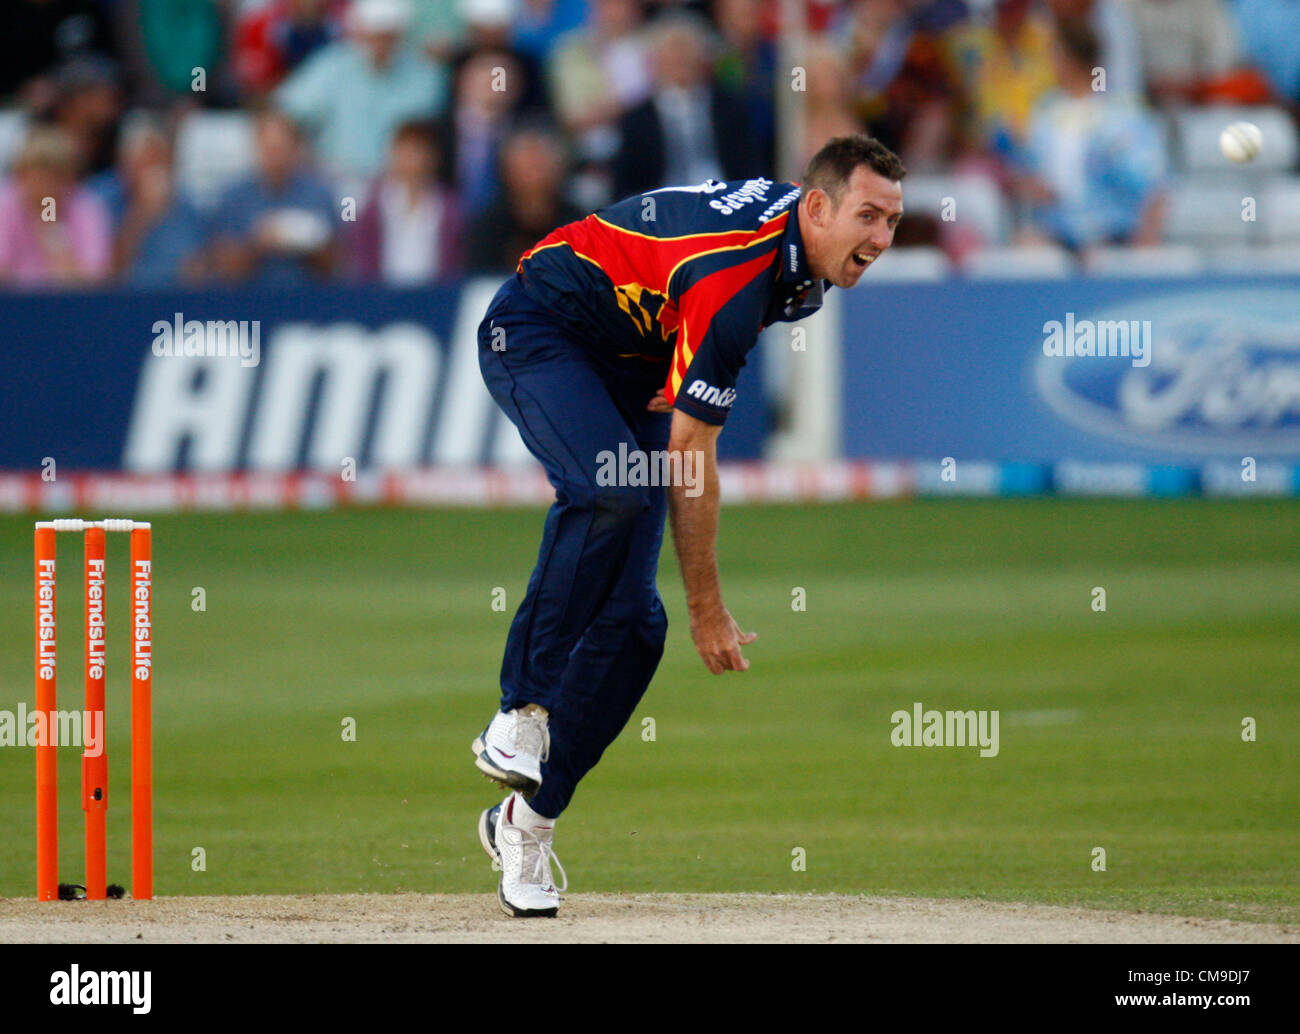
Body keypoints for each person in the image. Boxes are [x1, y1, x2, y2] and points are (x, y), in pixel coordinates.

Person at [471, 135, 906, 917]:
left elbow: (682, 410)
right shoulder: (740, 279)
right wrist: (709, 608)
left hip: (637, 361)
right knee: (614, 489)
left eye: (892, 221)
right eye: (867, 216)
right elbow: (692, 459)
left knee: (635, 626)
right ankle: (520, 711)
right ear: (816, 207)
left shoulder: (801, 262)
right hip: (538, 328)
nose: (880, 239)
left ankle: (524, 823)